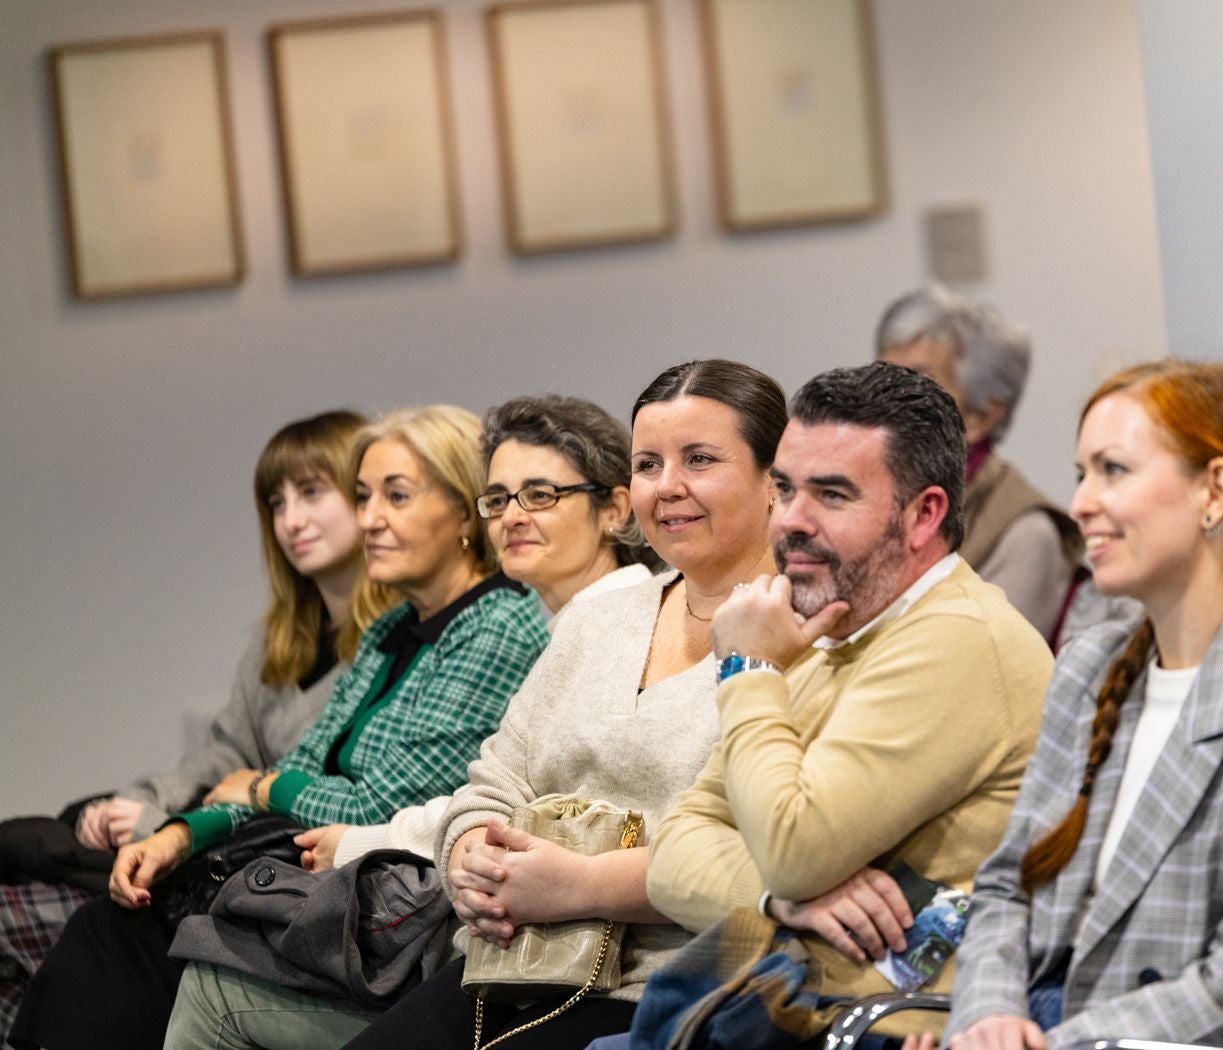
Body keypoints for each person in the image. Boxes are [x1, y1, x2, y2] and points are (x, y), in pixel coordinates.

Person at [10, 405, 550, 1050]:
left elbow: (376, 803)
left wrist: (264, 791)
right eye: (363, 496)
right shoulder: (389, 629)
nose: (370, 517)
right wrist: (182, 834)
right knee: (114, 915)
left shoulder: (499, 625)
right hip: (309, 873)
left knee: (126, 936)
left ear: (465, 512)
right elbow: (301, 763)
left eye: (395, 497)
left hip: (384, 903)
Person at [157, 391, 678, 1048]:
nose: (512, 516)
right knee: (178, 944)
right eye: (499, 499)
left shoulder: (594, 623)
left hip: (581, 954)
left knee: (203, 971)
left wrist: (348, 831)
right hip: (507, 928)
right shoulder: (547, 624)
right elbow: (488, 790)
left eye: (539, 495)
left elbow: (556, 812)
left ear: (613, 509)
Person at [319, 361, 787, 1050]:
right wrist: (472, 855)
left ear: (775, 481)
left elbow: (766, 849)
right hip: (512, 960)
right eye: (649, 464)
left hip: (679, 982)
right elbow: (496, 777)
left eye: (700, 459)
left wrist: (581, 885)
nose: (669, 487)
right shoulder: (603, 620)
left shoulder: (807, 633)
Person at [916, 361, 1223, 1050]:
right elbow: (1006, 889)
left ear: (1213, 491)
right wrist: (986, 1018)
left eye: (1113, 471)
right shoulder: (1089, 665)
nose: (1080, 503)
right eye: (1080, 473)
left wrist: (1039, 1043)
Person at [615, 361, 1054, 1047]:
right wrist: (779, 899)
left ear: (923, 515)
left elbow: (792, 848)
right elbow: (675, 849)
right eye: (785, 489)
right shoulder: (830, 627)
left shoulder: (955, 640)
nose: (790, 521)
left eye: (831, 495)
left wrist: (749, 667)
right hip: (785, 1004)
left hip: (882, 1024)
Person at [0, 410, 384, 1042]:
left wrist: (168, 827)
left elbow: (288, 791)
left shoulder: (392, 644)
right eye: (276, 502)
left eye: (312, 492)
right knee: (59, 834)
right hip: (214, 838)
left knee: (85, 914)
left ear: (365, 500)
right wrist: (143, 805)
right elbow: (223, 757)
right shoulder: (277, 645)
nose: (292, 520)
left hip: (279, 866)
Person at [877, 285, 1084, 642]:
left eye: (918, 382)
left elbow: (980, 669)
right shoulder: (873, 500)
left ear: (982, 416)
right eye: (881, 377)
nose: (884, 401)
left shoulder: (1027, 533)